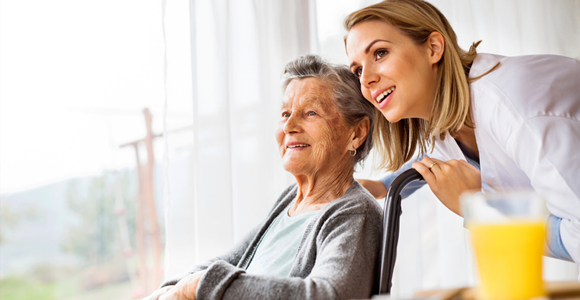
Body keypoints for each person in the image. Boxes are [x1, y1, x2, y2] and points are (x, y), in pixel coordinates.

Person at [344, 0, 580, 268]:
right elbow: (438, 157)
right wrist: (383, 186)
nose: (365, 80)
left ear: (433, 48)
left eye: (380, 53)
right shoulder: (450, 119)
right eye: (358, 70)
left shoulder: (514, 107)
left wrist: (476, 209)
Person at [143, 54, 382, 300]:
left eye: (311, 113)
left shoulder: (354, 214)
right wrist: (167, 290)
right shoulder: (292, 200)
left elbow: (330, 295)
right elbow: (229, 260)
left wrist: (196, 287)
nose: (289, 126)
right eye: (286, 113)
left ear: (357, 133)